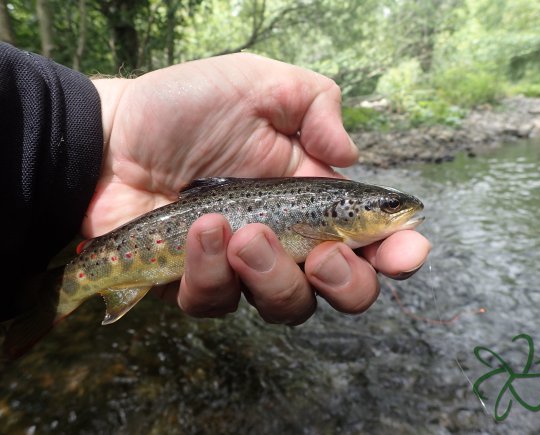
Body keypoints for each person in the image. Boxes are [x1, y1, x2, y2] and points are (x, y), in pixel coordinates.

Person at [0, 42, 431, 325]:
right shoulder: (329, 212)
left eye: (390, 205)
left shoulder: (330, 207)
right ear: (343, 213)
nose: (400, 209)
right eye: (389, 206)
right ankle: (42, 300)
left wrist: (106, 123)